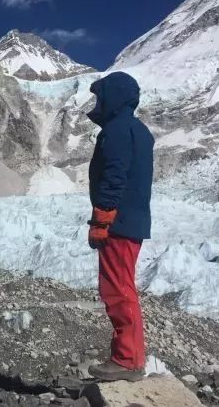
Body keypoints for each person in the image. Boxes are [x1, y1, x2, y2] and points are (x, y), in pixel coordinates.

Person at [85, 71, 154, 382]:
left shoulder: (116, 130)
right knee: (123, 288)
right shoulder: (138, 130)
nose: (97, 103)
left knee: (117, 290)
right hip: (131, 221)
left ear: (113, 97)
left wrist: (101, 218)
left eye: (101, 97)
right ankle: (130, 358)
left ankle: (127, 360)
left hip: (119, 223)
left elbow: (115, 175)